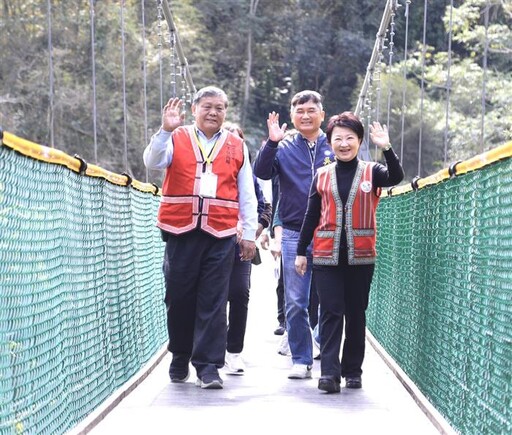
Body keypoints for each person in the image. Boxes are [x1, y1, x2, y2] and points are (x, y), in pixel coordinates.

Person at [143, 86, 258, 390]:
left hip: (221, 234)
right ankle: (180, 353)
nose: (213, 113)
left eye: (220, 108)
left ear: (226, 112)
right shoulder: (176, 137)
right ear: (194, 110)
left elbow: (247, 193)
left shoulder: (237, 145)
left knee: (214, 300)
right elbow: (152, 162)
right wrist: (165, 130)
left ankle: (208, 366)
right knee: (178, 298)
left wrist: (248, 234)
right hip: (180, 231)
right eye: (207, 106)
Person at [295, 112, 404, 393]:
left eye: (350, 138)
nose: (344, 144)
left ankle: (353, 371)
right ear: (330, 142)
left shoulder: (372, 171)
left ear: (359, 141)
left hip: (361, 256)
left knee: (356, 313)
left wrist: (386, 147)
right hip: (325, 255)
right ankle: (329, 374)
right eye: (338, 139)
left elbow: (396, 176)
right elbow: (310, 216)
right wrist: (300, 252)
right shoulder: (321, 175)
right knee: (331, 313)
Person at [253, 90, 335, 379]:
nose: (306, 115)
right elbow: (261, 173)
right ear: (292, 116)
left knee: (332, 302)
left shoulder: (336, 144)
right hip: (292, 234)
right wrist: (272, 143)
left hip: (330, 233)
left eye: (312, 110)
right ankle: (301, 359)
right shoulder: (283, 147)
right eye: (300, 111)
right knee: (296, 302)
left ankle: (326, 353)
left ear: (322, 114)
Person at [222, 122, 272, 375]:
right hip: (213, 240)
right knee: (212, 297)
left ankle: (234, 352)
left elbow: (264, 207)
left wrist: (252, 232)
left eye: (236, 139)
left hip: (240, 246)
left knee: (240, 294)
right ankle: (212, 349)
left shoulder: (247, 173)